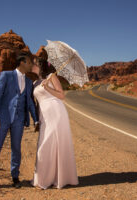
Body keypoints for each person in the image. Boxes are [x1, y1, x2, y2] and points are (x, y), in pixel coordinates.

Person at [0, 52, 40, 192]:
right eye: (30, 62)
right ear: (22, 62)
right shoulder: (6, 75)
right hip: (3, 118)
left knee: (16, 149)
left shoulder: (28, 82)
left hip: (19, 120)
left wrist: (36, 119)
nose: (31, 65)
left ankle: (15, 177)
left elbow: (30, 103)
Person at [30, 57, 79, 189]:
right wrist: (37, 120)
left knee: (53, 144)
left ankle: (58, 179)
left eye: (33, 63)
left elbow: (61, 96)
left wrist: (47, 88)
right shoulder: (35, 82)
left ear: (39, 65)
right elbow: (36, 103)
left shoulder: (51, 77)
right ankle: (45, 178)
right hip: (44, 116)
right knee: (44, 145)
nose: (31, 65)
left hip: (56, 112)